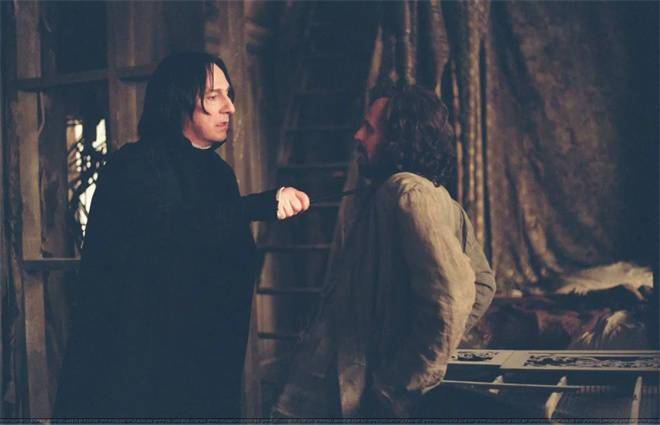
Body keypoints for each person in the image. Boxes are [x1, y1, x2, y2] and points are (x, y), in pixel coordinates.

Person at [54, 52, 309, 418]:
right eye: (213, 96)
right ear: (179, 101)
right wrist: (260, 205)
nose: (230, 107)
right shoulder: (134, 164)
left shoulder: (219, 173)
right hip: (137, 370)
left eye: (229, 94)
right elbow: (170, 231)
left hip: (205, 364)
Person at [273, 83, 496, 418]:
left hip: (373, 391)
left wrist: (401, 381)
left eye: (369, 129)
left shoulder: (407, 193)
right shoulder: (433, 195)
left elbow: (455, 295)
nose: (358, 136)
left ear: (399, 139)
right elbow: (483, 284)